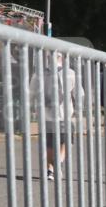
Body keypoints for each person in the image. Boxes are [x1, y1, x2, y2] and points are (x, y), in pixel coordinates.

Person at [30, 52, 82, 181]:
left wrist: (31, 108)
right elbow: (79, 94)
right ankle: (58, 163)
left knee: (48, 144)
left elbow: (30, 93)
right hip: (64, 114)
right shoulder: (70, 73)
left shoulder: (38, 74)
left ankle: (50, 170)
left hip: (44, 115)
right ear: (62, 58)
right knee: (66, 142)